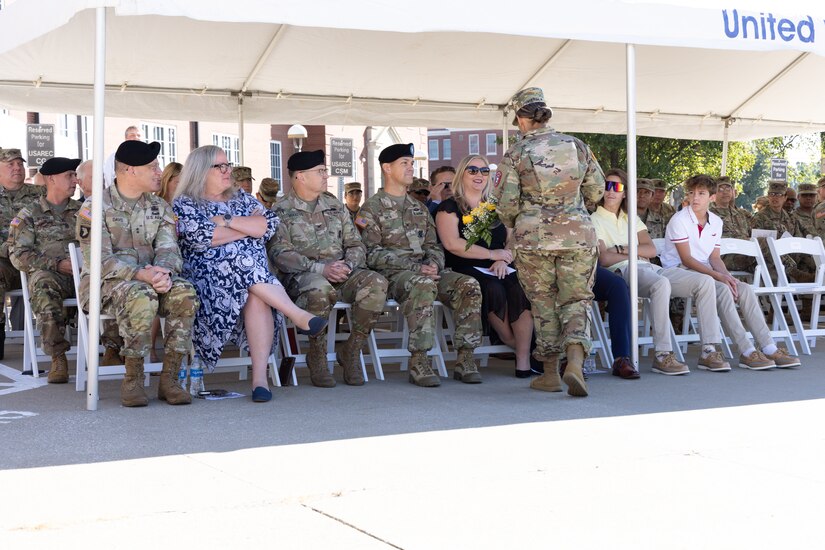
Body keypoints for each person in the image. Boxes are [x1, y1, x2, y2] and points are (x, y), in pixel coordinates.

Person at [173, 145, 327, 403]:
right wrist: (247, 229)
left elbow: (268, 226)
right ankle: (297, 315)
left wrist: (227, 222)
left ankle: (259, 380)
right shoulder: (185, 203)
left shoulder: (241, 198)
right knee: (245, 263)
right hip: (208, 281)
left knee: (256, 293)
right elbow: (201, 237)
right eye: (219, 166)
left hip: (251, 282)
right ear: (200, 171)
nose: (227, 171)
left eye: (228, 165)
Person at [494, 87, 604, 397]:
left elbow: (506, 204)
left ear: (520, 118)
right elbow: (596, 192)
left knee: (543, 303)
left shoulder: (516, 153)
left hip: (534, 239)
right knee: (577, 299)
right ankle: (576, 360)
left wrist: (521, 221)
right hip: (578, 235)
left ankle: (551, 373)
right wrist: (573, 211)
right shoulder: (577, 146)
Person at [77, 140, 197, 407]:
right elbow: (99, 260)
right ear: (130, 170)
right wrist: (140, 274)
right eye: (152, 167)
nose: (158, 172)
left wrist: (163, 272)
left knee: (185, 292)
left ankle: (170, 379)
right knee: (140, 293)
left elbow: (169, 249)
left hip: (151, 281)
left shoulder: (160, 207)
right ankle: (132, 378)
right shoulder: (94, 207)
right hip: (105, 286)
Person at [359, 143, 483, 387]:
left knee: (469, 285)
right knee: (422, 284)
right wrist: (417, 269)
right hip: (396, 276)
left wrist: (434, 264)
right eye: (404, 163)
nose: (410, 168)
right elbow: (371, 254)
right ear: (387, 168)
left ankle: (466, 358)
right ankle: (419, 360)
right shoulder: (370, 208)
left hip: (428, 271)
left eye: (411, 163)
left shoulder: (418, 208)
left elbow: (434, 245)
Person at [268, 150, 389, 387]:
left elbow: (355, 243)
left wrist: (348, 265)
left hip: (341, 273)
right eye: (320, 171)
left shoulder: (334, 205)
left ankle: (352, 350)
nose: (326, 175)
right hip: (302, 279)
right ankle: (317, 354)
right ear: (300, 176)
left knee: (376, 283)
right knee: (319, 289)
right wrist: (320, 268)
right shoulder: (280, 211)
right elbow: (280, 254)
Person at [660, 174, 800, 371]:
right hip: (677, 272)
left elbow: (714, 258)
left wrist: (728, 277)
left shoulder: (716, 221)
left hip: (703, 273)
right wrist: (718, 277)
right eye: (692, 193)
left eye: (702, 193)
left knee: (743, 288)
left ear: (712, 197)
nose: (695, 198)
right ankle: (743, 350)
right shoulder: (679, 220)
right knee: (723, 289)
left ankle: (768, 346)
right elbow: (687, 259)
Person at [435, 154, 535, 378]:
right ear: (462, 174)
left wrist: (502, 258)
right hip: (465, 267)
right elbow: (453, 244)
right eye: (472, 170)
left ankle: (523, 359)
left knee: (521, 286)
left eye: (484, 171)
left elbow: (512, 238)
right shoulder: (449, 207)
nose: (479, 175)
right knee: (493, 288)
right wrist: (492, 253)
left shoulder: (496, 207)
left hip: (500, 265)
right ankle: (512, 341)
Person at [591, 168, 688, 376]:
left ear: (625, 192)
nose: (610, 191)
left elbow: (651, 250)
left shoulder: (631, 218)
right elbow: (605, 258)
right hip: (621, 271)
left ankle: (711, 349)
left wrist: (620, 249)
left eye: (616, 186)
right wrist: (635, 253)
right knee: (660, 284)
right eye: (606, 185)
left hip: (649, 267)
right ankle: (663, 354)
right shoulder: (594, 219)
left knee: (704, 282)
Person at [8, 157, 82, 383]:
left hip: (84, 275)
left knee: (113, 281)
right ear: (51, 179)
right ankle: (57, 356)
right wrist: (57, 264)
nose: (75, 180)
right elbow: (18, 255)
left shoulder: (84, 212)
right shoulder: (29, 214)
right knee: (43, 283)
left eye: (75, 174)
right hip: (53, 277)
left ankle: (111, 350)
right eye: (69, 175)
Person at [0, 147, 45, 360]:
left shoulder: (39, 195)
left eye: (20, 163)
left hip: (35, 261)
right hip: (5, 264)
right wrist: (10, 250)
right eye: (11, 164)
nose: (17, 168)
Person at [751, 181, 813, 282]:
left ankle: (810, 293)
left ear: (784, 198)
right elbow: (757, 243)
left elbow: (798, 239)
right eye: (772, 194)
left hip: (792, 254)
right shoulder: (760, 218)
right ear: (768, 197)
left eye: (779, 195)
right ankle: (796, 274)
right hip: (769, 260)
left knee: (812, 258)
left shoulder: (791, 218)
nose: (775, 198)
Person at [709, 176, 755, 274]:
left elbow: (753, 234)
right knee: (766, 252)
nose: (725, 192)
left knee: (769, 260)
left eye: (728, 188)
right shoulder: (709, 215)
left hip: (746, 254)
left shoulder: (741, 214)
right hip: (724, 258)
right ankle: (792, 272)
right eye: (720, 189)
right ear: (714, 193)